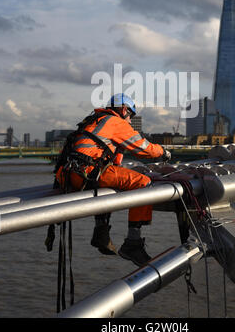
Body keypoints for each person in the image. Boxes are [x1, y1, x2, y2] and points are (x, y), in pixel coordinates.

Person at [55, 93, 171, 267]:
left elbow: (113, 163)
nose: (130, 121)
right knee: (144, 183)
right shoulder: (115, 122)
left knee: (107, 184)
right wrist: (163, 153)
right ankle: (133, 243)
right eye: (130, 115)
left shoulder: (94, 119)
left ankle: (101, 233)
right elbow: (143, 148)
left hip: (68, 176)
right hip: (87, 172)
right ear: (124, 110)